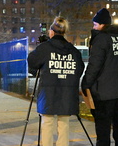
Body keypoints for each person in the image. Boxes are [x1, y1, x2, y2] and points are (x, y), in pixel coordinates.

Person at [27, 16, 84, 146]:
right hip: (67, 93)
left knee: (47, 123)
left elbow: (32, 61)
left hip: (48, 94)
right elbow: (79, 70)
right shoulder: (73, 51)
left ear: (52, 32)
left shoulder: (45, 48)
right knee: (64, 124)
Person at [82, 8, 118, 146]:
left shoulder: (101, 39)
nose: (94, 27)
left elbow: (94, 66)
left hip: (105, 93)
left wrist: (85, 83)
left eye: (95, 24)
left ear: (102, 24)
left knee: (103, 129)